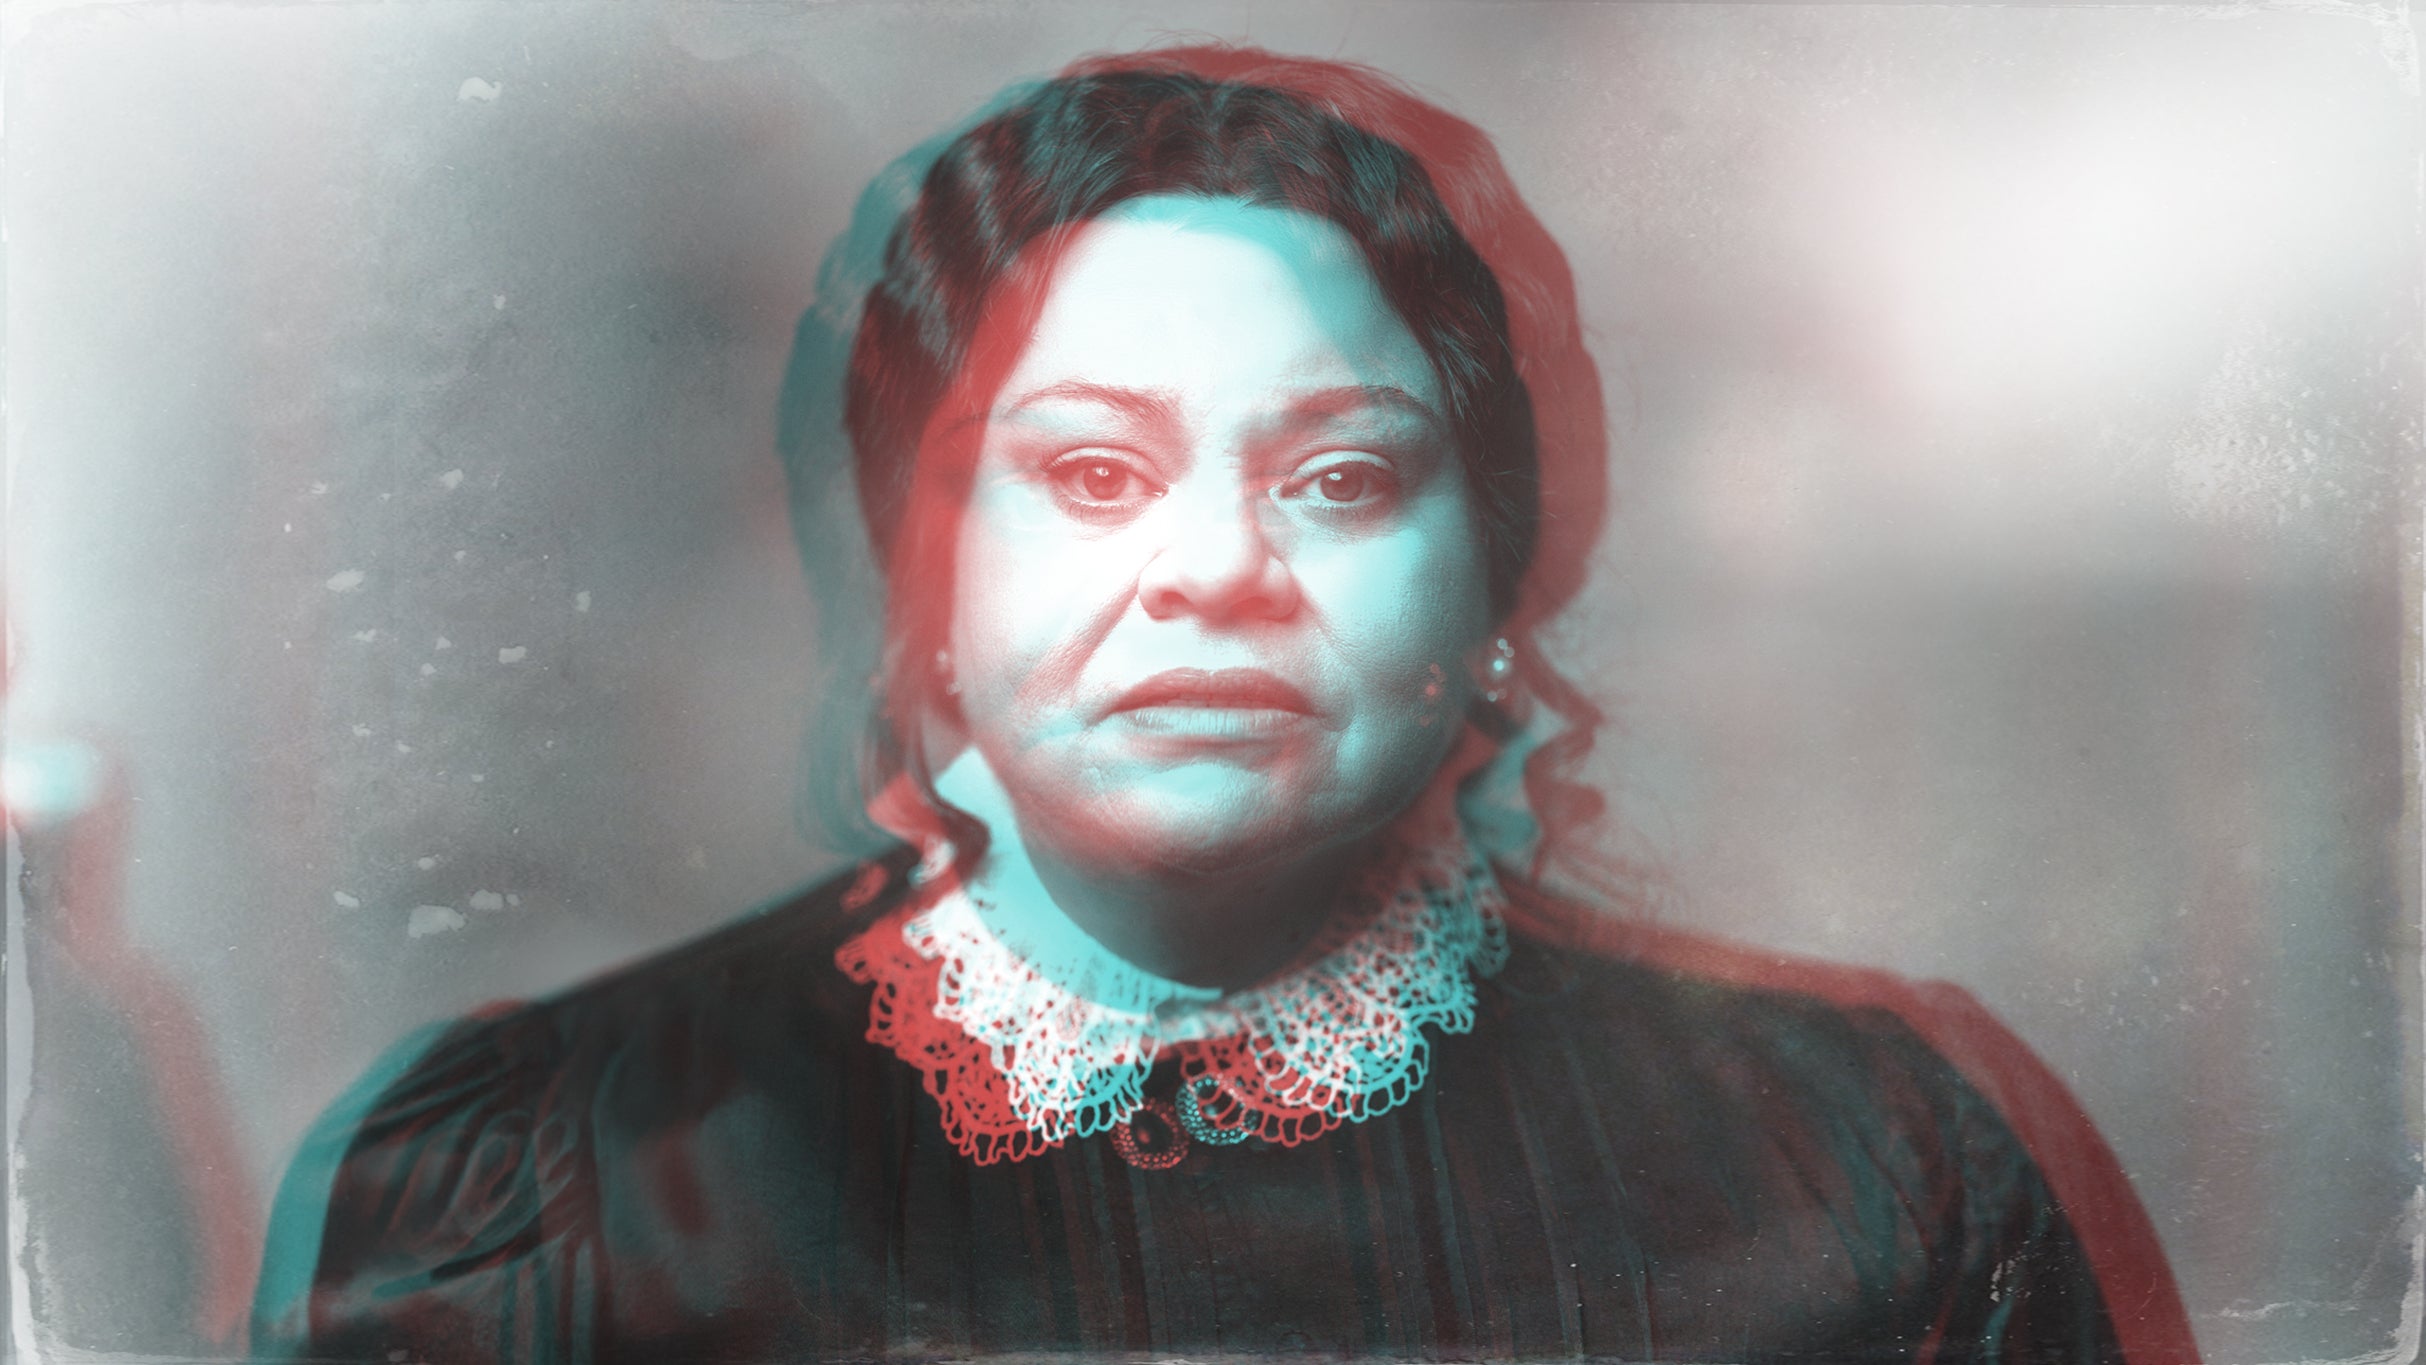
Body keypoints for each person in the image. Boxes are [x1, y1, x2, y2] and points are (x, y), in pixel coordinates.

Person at [251, 45, 2198, 1363]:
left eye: (1338, 477)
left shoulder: (1861, 1173)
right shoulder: (544, 1186)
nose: (1213, 570)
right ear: (917, 575)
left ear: (1486, 577)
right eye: (1090, 471)